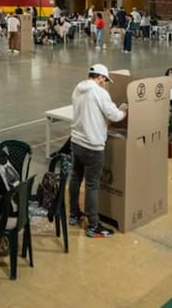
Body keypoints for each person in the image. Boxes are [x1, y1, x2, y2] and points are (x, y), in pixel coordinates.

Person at [69, 64, 127, 238]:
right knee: (92, 185)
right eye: (105, 80)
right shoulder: (100, 93)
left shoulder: (78, 88)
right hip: (92, 145)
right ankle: (94, 225)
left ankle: (73, 214)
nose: (105, 84)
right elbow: (115, 116)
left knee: (75, 177)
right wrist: (124, 111)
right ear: (100, 77)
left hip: (76, 141)